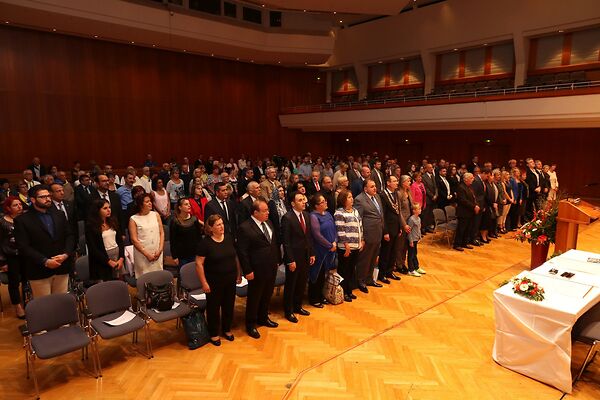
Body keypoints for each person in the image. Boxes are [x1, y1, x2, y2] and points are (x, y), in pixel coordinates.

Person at [14, 185, 75, 298]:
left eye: (48, 196)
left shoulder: (59, 215)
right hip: (39, 269)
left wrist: (66, 254)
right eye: (43, 197)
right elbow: (23, 247)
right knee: (44, 308)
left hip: (61, 265)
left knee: (60, 304)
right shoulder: (22, 220)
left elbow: (70, 236)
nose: (47, 199)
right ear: (32, 200)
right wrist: (45, 261)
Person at [237, 198, 281, 339]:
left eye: (268, 210)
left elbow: (272, 243)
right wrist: (247, 270)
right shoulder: (245, 227)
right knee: (255, 297)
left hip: (271, 265)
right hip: (256, 269)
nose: (268, 213)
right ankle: (251, 324)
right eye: (265, 211)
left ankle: (263, 317)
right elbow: (242, 252)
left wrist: (276, 260)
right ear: (255, 212)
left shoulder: (268, 222)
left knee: (267, 294)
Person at [196, 215, 241, 345]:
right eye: (218, 225)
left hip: (230, 278)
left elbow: (235, 257)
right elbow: (199, 264)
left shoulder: (228, 238)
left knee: (228, 305)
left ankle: (227, 329)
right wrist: (204, 282)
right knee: (213, 308)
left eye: (222, 224)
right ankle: (214, 333)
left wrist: (238, 273)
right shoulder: (205, 243)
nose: (222, 227)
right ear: (210, 228)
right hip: (213, 281)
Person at [281, 191, 315, 323]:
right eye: (300, 200)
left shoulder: (306, 215)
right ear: (293, 203)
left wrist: (312, 253)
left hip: (305, 255)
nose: (304, 202)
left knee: (301, 283)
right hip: (294, 258)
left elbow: (309, 237)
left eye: (304, 199)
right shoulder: (287, 218)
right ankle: (288, 311)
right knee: (291, 285)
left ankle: (298, 306)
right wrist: (290, 260)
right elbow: (286, 242)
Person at [354, 179, 384, 292]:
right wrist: (362, 238)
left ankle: (369, 279)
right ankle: (360, 281)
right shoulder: (359, 199)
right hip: (367, 234)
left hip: (377, 233)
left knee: (373, 258)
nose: (375, 188)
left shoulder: (377, 197)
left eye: (375, 186)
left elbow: (380, 215)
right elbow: (359, 219)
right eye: (372, 186)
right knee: (364, 259)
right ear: (365, 188)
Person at [308, 193, 337, 308]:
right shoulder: (313, 216)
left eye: (325, 200)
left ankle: (322, 295)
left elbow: (334, 229)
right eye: (322, 202)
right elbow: (317, 235)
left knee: (325, 275)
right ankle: (314, 298)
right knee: (317, 275)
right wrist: (329, 245)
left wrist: (334, 241)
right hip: (320, 250)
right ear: (316, 206)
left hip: (331, 249)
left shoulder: (329, 214)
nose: (325, 203)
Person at [334, 190, 363, 302]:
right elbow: (340, 230)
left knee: (351, 270)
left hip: (356, 245)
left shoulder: (355, 211)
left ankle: (349, 291)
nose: (352, 199)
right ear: (343, 200)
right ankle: (343, 292)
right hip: (345, 247)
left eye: (352, 197)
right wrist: (346, 245)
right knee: (343, 270)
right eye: (349, 197)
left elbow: (360, 226)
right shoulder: (339, 213)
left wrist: (362, 240)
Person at [85, 199, 125, 281]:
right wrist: (108, 261)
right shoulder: (91, 226)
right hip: (102, 259)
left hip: (117, 257)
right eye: (105, 208)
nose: (109, 210)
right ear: (98, 210)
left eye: (109, 207)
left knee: (119, 283)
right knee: (107, 286)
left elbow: (120, 241)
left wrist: (121, 258)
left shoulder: (113, 221)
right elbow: (93, 248)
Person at [0, 196, 25, 318]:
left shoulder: (25, 218)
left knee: (28, 279)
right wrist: (2, 262)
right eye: (15, 205)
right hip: (11, 256)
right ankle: (17, 306)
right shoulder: (2, 222)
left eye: (20, 204)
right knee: (14, 282)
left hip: (26, 254)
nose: (19, 207)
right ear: (8, 208)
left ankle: (28, 303)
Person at [129, 193, 164, 278]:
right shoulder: (133, 219)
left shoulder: (155, 214)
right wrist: (147, 254)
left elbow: (161, 233)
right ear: (141, 205)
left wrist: (160, 249)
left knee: (158, 277)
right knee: (145, 279)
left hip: (157, 252)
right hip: (143, 254)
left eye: (150, 201)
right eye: (147, 202)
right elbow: (134, 239)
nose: (150, 203)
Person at [378, 175, 402, 283]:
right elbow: (383, 215)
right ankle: (382, 274)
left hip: (396, 227)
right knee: (385, 253)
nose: (397, 183)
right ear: (388, 183)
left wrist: (400, 227)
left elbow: (398, 212)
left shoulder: (396, 193)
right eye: (394, 181)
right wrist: (385, 231)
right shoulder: (383, 195)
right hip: (388, 229)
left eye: (397, 181)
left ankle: (389, 271)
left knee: (393, 252)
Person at [170, 198, 203, 268]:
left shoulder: (194, 219)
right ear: (180, 207)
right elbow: (173, 241)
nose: (189, 206)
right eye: (186, 204)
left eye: (189, 204)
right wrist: (174, 257)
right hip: (182, 256)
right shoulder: (175, 222)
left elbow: (199, 237)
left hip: (195, 253)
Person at [454, 173, 479, 251]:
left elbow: (473, 198)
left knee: (468, 228)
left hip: (470, 212)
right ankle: (457, 244)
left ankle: (464, 243)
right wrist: (473, 206)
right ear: (466, 179)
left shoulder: (469, 187)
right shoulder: (461, 187)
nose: (473, 180)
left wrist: (476, 205)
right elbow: (463, 200)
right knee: (461, 229)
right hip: (463, 212)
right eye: (471, 178)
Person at [407, 204, 426, 277]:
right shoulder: (411, 219)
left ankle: (416, 267)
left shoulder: (419, 218)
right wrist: (410, 241)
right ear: (414, 211)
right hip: (412, 240)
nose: (420, 210)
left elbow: (418, 229)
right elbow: (409, 231)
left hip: (416, 239)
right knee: (411, 255)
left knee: (415, 253)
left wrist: (419, 237)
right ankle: (411, 270)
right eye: (419, 209)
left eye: (420, 209)